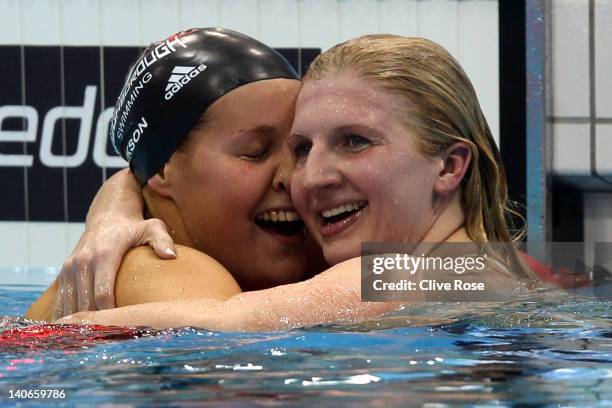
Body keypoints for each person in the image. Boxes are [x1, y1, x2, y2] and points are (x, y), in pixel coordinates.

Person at [56, 34, 541, 330]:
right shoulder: (510, 266)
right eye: (304, 149)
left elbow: (225, 324)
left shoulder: (402, 274)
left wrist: (31, 336)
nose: (307, 178)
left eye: (355, 141)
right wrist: (116, 198)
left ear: (450, 166)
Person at [25, 27, 326, 321]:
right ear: (161, 169)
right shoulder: (162, 269)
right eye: (255, 151)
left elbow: (371, 282)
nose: (296, 177)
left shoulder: (287, 255)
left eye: (301, 150)